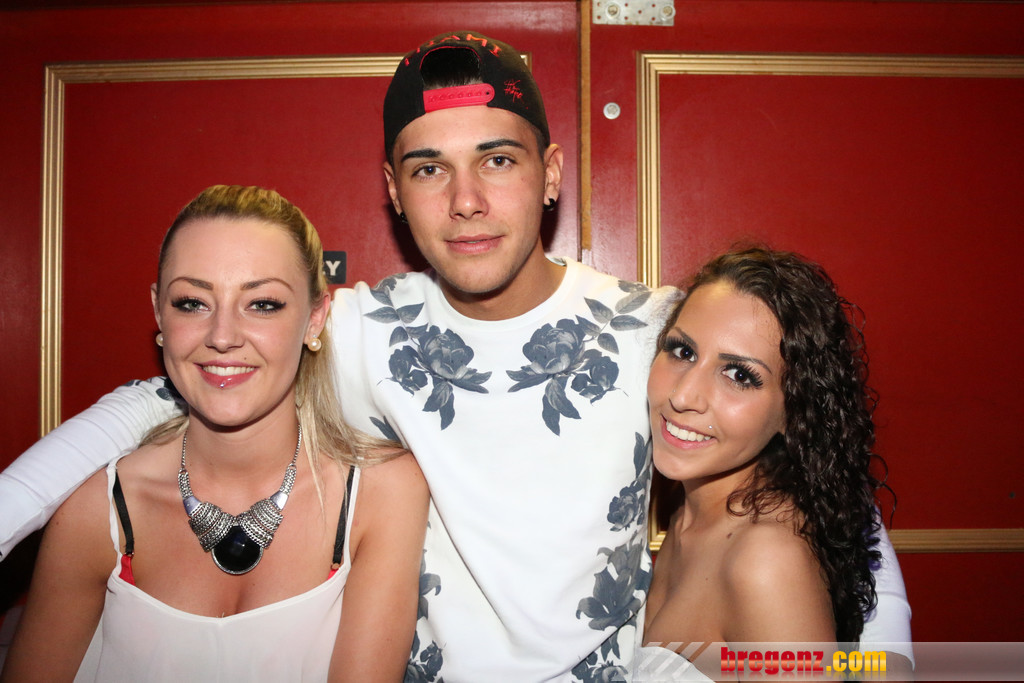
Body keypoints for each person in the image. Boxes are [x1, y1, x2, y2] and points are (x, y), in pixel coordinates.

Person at [0, 33, 910, 681]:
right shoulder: (357, 329)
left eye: (498, 160)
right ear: (394, 192)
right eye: (429, 167)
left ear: (551, 174)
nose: (466, 199)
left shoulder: (660, 332)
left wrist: (887, 651)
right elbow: (161, 395)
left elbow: (808, 462)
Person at [0, 185, 429, 682]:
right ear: (159, 314)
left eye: (262, 304)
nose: (222, 336)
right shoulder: (95, 510)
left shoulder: (382, 493)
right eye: (193, 303)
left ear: (315, 319)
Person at [638, 247, 912, 680]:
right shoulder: (690, 511)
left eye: (739, 375)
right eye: (683, 351)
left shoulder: (765, 561)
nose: (683, 395)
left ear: (793, 411)